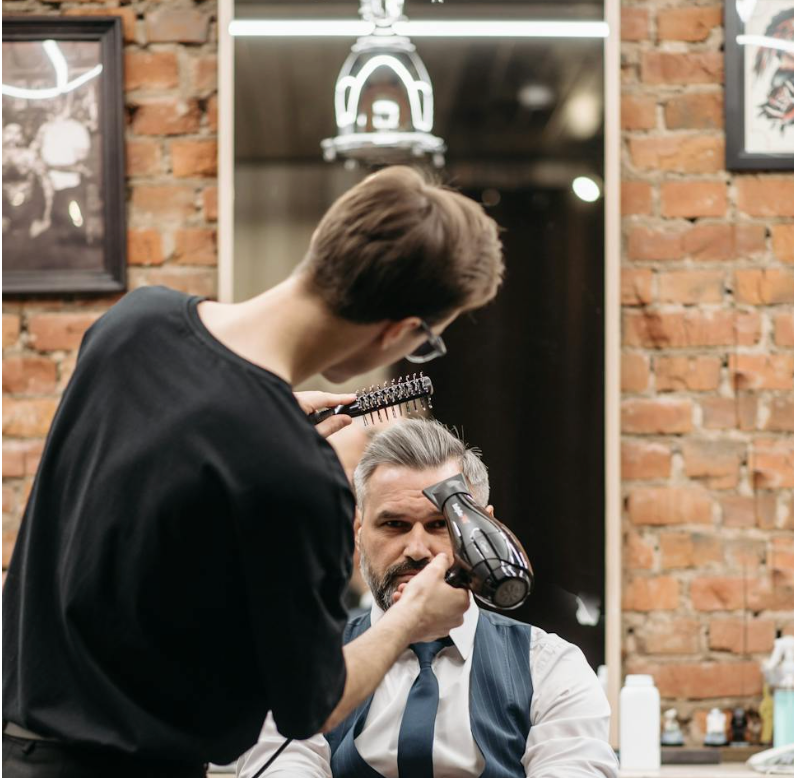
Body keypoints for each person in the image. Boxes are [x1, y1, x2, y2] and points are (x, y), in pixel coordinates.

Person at [2, 166, 504, 777]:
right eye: (423, 344)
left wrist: (264, 421)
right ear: (396, 331)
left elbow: (144, 503)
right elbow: (311, 706)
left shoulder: (133, 324)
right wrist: (410, 618)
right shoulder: (294, 475)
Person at [238, 419, 619, 778]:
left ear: (487, 531)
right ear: (357, 531)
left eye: (440, 524)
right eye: (394, 525)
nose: (417, 549)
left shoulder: (551, 667)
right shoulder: (303, 666)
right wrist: (406, 623)